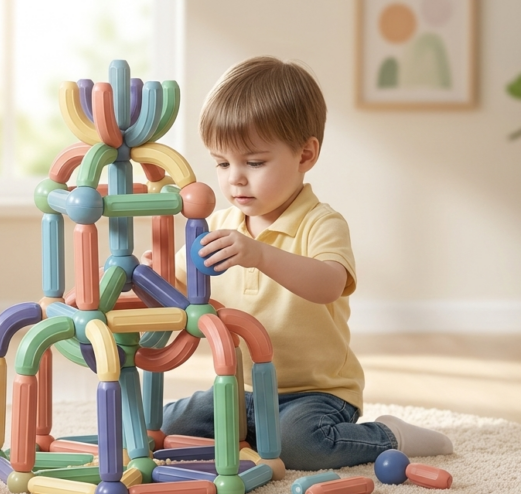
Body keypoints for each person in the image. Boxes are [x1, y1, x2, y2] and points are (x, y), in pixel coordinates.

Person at [143, 56, 452, 470]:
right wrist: (153, 277)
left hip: (317, 394)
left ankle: (389, 434)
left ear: (305, 154)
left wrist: (260, 254)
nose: (235, 177)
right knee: (162, 425)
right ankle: (251, 440)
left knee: (300, 445)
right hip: (244, 391)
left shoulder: (321, 222)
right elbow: (179, 292)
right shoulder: (216, 225)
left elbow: (328, 283)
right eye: (221, 162)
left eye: (254, 162)